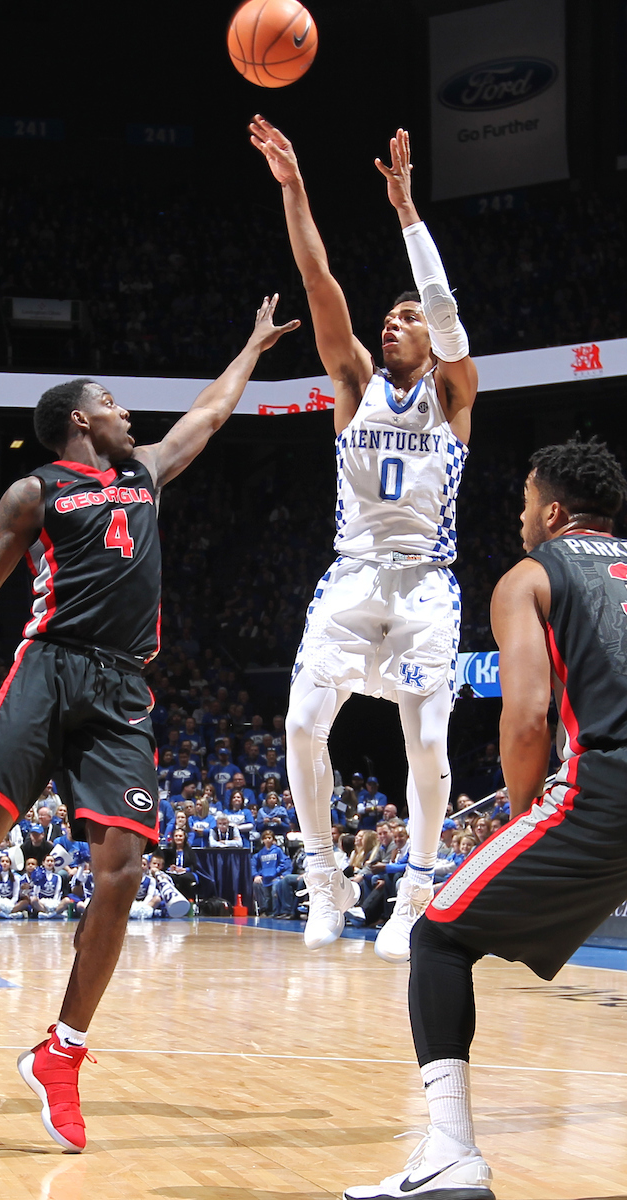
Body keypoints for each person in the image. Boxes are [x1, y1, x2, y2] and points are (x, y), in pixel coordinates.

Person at [0, 295, 298, 1152]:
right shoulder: (37, 492)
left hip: (122, 687)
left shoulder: (145, 475)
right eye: (115, 403)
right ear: (81, 420)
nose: (131, 415)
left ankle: (61, 1052)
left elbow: (208, 415)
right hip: (48, 668)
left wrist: (249, 347)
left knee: (123, 869)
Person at [345, 437, 627, 1199]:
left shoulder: (531, 576)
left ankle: (450, 1151)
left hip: (608, 787)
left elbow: (528, 716)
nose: (521, 517)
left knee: (438, 934)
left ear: (554, 512)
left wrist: (528, 815)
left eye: (526, 503)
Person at [250, 118, 477, 960]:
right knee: (301, 724)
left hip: (426, 584)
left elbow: (445, 311)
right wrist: (294, 187)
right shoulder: (354, 382)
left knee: (428, 742)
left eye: (405, 317)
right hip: (351, 577)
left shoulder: (453, 393)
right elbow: (318, 279)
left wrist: (407, 211)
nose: (394, 322)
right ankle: (325, 876)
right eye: (388, 316)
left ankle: (417, 890)